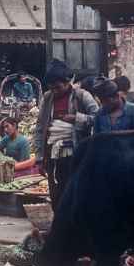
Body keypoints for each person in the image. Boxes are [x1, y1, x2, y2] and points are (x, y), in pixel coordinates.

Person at [34, 59, 98, 214]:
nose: (55, 91)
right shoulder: (47, 98)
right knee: (56, 193)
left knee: (75, 192)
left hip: (76, 152)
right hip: (53, 153)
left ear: (68, 82)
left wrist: (76, 118)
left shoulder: (82, 96)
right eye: (51, 87)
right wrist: (40, 158)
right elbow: (41, 128)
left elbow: (98, 117)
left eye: (58, 87)